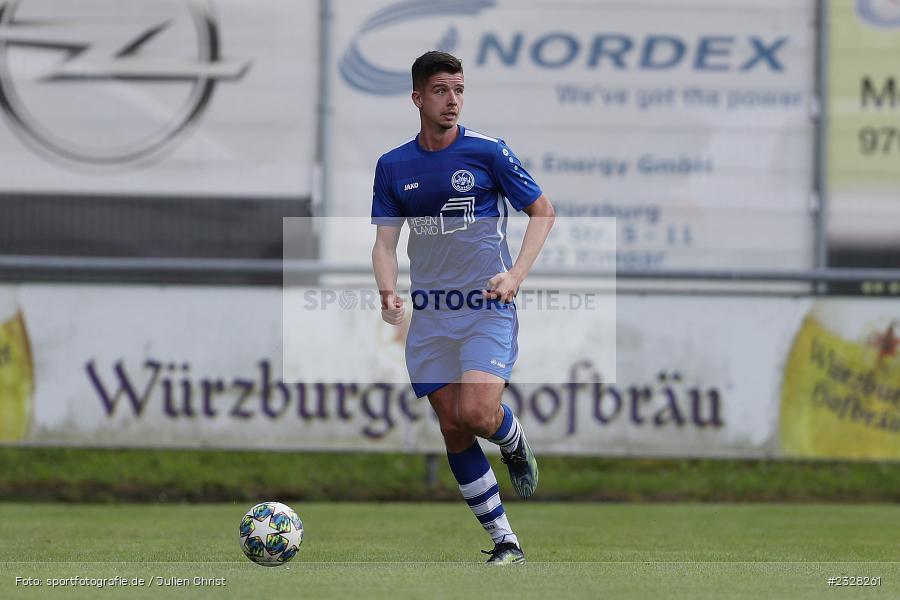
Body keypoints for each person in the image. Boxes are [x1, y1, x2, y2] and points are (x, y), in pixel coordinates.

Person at [371, 51, 555, 565]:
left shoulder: (488, 153)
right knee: (452, 427)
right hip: (431, 316)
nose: (451, 100)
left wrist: (515, 276)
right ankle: (506, 543)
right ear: (417, 98)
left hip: (485, 307)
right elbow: (385, 243)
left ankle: (512, 439)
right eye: (440, 90)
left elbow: (543, 211)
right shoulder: (393, 166)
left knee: (476, 413)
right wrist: (388, 291)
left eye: (458, 90)